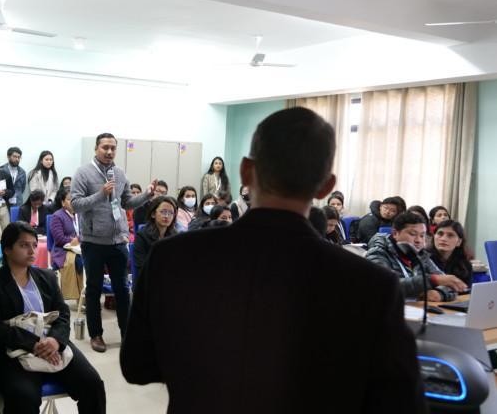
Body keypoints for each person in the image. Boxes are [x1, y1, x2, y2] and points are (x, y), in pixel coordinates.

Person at [121, 107, 426, 413]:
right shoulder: (371, 285)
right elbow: (399, 403)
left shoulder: (173, 257)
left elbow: (138, 365)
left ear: (245, 171)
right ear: (326, 185)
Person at [0, 222, 106, 413]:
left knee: (92, 385)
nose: (31, 250)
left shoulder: (46, 276)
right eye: (23, 245)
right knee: (24, 397)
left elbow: (62, 314)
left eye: (34, 245)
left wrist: (55, 340)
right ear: (7, 249)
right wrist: (35, 344)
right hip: (13, 349)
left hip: (51, 341)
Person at [71, 132, 154, 353]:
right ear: (96, 149)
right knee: (94, 288)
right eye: (105, 147)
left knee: (122, 289)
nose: (109, 152)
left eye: (113, 148)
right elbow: (76, 204)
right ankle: (96, 335)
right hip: (93, 242)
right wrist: (100, 193)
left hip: (118, 241)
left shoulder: (119, 173)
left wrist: (146, 195)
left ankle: (127, 333)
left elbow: (127, 202)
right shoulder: (83, 172)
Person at [365, 211, 467, 300]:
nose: (418, 240)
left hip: (415, 312)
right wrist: (431, 280)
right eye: (413, 234)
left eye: (422, 235)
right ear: (395, 233)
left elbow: (448, 283)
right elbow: (385, 286)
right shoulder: (378, 253)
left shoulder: (421, 255)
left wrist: (440, 293)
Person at [132, 196, 178, 278]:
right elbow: (142, 266)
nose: (167, 216)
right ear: (153, 214)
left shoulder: (175, 236)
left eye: (171, 213)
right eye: (163, 212)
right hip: (149, 279)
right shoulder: (142, 235)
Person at [428, 220, 473, 287]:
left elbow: (466, 290)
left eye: (450, 235)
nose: (443, 239)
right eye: (440, 234)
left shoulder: (465, 265)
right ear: (434, 237)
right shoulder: (424, 259)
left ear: (459, 242)